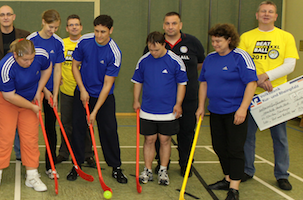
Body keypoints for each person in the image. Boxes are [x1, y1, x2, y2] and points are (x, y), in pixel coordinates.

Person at [239, 0, 299, 191]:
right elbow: (241, 63)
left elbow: (289, 65)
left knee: (279, 137)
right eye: (263, 11)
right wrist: (257, 80)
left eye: (270, 12)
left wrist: (266, 76)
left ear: (275, 16)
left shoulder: (286, 37)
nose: (266, 14)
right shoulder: (246, 37)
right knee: (247, 136)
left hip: (276, 94)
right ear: (257, 15)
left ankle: (282, 174)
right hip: (251, 94)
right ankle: (247, 170)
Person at [196, 23, 258, 200]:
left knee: (235, 149)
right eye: (213, 41)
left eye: (219, 41)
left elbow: (252, 83)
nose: (215, 44)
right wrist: (201, 106)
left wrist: (243, 108)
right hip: (215, 110)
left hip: (235, 111)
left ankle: (234, 189)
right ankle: (227, 178)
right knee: (219, 147)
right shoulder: (210, 58)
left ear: (229, 40)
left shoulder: (240, 57)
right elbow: (204, 83)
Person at [144, 12, 206, 177]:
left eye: (174, 23)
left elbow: (199, 64)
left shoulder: (193, 42)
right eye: (167, 24)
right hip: (162, 102)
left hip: (188, 98)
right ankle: (162, 164)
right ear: (163, 25)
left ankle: (186, 164)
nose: (170, 27)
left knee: (186, 132)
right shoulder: (155, 43)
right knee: (159, 135)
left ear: (180, 25)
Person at [0, 39, 52, 193]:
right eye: (25, 60)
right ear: (15, 55)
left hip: (30, 97)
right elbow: (9, 96)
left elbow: (48, 68)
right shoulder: (5, 66)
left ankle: (32, 175)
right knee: (4, 137)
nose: (29, 62)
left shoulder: (41, 55)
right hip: (6, 101)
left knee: (30, 137)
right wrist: (32, 107)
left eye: (31, 59)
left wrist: (39, 90)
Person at [68, 15, 126, 184]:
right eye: (96, 31)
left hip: (103, 97)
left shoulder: (114, 53)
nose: (99, 35)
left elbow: (108, 85)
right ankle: (76, 165)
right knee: (78, 129)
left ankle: (115, 167)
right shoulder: (84, 41)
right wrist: (83, 89)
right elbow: (74, 65)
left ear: (111, 31)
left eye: (103, 32)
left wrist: (94, 111)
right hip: (82, 92)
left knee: (108, 130)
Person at [133, 31, 187, 186]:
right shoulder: (143, 61)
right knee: (149, 139)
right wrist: (136, 100)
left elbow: (182, 84)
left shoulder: (175, 61)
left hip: (168, 110)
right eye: (150, 49)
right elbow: (137, 81)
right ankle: (148, 170)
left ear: (164, 45)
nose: (153, 53)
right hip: (147, 108)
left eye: (156, 49)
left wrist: (178, 103)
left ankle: (163, 170)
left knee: (165, 140)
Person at [0, 5, 30, 163]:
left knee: (19, 125)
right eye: (2, 15)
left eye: (8, 14)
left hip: (21, 89)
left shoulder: (25, 35)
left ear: (14, 16)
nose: (5, 17)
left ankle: (20, 154)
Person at [27, 9, 64, 180]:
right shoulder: (31, 40)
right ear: (43, 21)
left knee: (50, 129)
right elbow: (29, 69)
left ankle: (50, 165)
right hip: (32, 90)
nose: (53, 30)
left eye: (56, 27)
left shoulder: (58, 42)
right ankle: (30, 166)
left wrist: (55, 94)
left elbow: (57, 69)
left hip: (51, 93)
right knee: (31, 129)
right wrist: (45, 91)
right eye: (50, 26)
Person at [57, 14, 96, 173]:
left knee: (85, 124)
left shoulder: (87, 43)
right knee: (66, 124)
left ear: (81, 27)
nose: (74, 27)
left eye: (76, 25)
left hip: (83, 91)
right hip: (66, 91)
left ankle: (87, 154)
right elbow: (56, 65)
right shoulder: (62, 44)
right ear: (66, 28)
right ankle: (64, 152)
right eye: (70, 25)